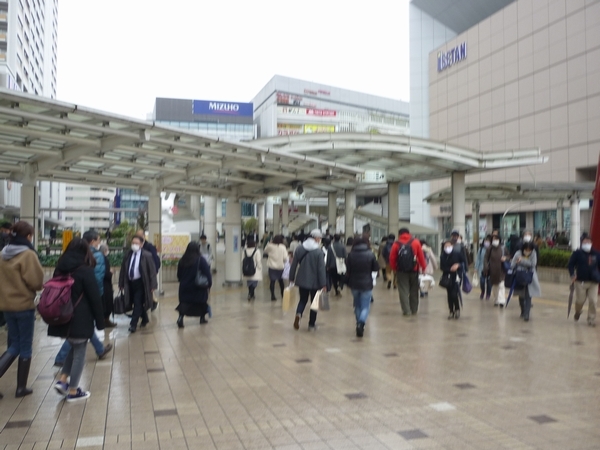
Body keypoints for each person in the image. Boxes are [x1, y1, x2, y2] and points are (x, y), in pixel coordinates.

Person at [50, 238, 105, 402]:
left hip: (63, 315)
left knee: (73, 347)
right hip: (81, 316)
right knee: (80, 351)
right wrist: (100, 321)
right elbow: (94, 297)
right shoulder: (84, 270)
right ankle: (73, 391)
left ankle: (63, 380)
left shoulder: (60, 268)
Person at [54, 231, 113, 366]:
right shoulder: (94, 256)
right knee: (79, 330)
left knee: (83, 328)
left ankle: (99, 349)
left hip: (66, 299)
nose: (99, 243)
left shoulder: (63, 260)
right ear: (91, 241)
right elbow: (96, 280)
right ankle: (61, 359)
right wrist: (97, 296)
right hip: (84, 300)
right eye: (98, 240)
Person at [0, 221, 44, 398]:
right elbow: (36, 281)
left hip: (6, 305)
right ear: (28, 236)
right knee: (24, 345)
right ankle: (21, 388)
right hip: (24, 305)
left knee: (15, 344)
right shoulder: (27, 255)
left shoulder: (3, 254)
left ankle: (21, 387)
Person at [289, 229, 327, 331]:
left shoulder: (300, 248)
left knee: (303, 300)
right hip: (315, 281)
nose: (320, 240)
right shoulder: (319, 251)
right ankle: (311, 324)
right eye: (319, 238)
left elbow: (293, 265)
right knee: (314, 303)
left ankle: (298, 314)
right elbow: (321, 269)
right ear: (315, 238)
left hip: (302, 279)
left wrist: (291, 278)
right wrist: (324, 283)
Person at [119, 235, 158, 333]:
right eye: (133, 243)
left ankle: (133, 324)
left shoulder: (147, 255)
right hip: (130, 283)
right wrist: (121, 283)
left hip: (141, 283)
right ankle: (145, 318)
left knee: (137, 303)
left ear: (141, 244)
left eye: (136, 243)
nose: (134, 245)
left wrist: (153, 285)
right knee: (134, 302)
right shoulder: (128, 254)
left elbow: (152, 271)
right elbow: (123, 270)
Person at [346, 237, 379, 337]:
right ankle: (361, 323)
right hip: (366, 283)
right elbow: (375, 268)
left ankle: (358, 323)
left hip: (354, 283)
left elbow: (348, 269)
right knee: (365, 306)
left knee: (357, 304)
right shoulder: (370, 254)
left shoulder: (351, 255)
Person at [389, 228, 427, 316]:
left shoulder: (396, 244)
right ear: (409, 233)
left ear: (399, 234)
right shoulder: (416, 242)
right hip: (414, 269)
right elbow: (421, 256)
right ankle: (414, 309)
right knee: (414, 290)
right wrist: (423, 267)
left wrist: (395, 268)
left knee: (403, 290)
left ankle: (406, 311)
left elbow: (392, 258)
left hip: (401, 270)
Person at [176, 242, 212, 327]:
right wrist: (209, 284)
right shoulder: (200, 259)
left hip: (184, 286)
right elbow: (207, 273)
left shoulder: (182, 260)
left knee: (184, 303)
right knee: (202, 302)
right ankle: (202, 318)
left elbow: (179, 275)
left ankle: (180, 318)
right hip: (198, 287)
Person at [568, 234, 600, 327]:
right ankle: (578, 311)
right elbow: (571, 265)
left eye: (589, 242)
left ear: (591, 243)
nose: (587, 244)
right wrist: (572, 275)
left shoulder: (596, 254)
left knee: (593, 301)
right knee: (580, 301)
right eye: (585, 242)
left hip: (593, 282)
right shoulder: (577, 253)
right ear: (582, 243)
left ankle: (591, 319)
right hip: (580, 281)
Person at [511, 242, 541, 322]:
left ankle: (527, 313)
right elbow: (512, 264)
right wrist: (519, 262)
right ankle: (523, 310)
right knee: (521, 295)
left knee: (528, 295)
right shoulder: (518, 253)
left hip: (529, 277)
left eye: (529, 250)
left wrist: (522, 261)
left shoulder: (533, 254)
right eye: (526, 250)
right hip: (520, 276)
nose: (527, 251)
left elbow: (533, 264)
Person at [440, 239, 464, 319]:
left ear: (452, 246)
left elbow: (463, 263)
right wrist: (450, 269)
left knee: (454, 294)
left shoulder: (457, 254)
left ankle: (457, 309)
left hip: (456, 277)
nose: (447, 247)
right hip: (447, 277)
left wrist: (458, 266)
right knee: (449, 295)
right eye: (446, 246)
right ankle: (451, 311)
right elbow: (442, 267)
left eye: (449, 246)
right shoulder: (443, 256)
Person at [484, 234, 509, 307]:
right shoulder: (489, 249)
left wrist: (505, 258)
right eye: (494, 239)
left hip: (501, 270)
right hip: (492, 271)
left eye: (496, 239)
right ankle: (496, 299)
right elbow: (486, 258)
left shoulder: (503, 248)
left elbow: (509, 256)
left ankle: (501, 301)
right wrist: (486, 267)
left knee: (501, 285)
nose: (495, 241)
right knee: (495, 286)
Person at [264, 234, 288, 301]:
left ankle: (272, 296)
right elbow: (285, 258)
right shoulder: (283, 247)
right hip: (280, 266)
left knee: (272, 281)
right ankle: (282, 295)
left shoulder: (270, 246)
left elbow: (265, 250)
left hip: (272, 266)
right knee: (281, 281)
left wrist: (269, 243)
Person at [99, 244, 116, 327]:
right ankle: (105, 320)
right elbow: (105, 273)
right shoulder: (103, 259)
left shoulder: (98, 258)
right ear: (105, 251)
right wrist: (110, 272)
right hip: (105, 284)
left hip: (101, 284)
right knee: (107, 302)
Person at [475, 235, 492, 300]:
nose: (486, 242)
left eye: (488, 241)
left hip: (490, 268)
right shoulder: (481, 249)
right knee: (482, 281)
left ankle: (488, 294)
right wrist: (476, 268)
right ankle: (482, 292)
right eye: (485, 241)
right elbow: (478, 259)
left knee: (489, 283)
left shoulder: (492, 249)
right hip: (481, 268)